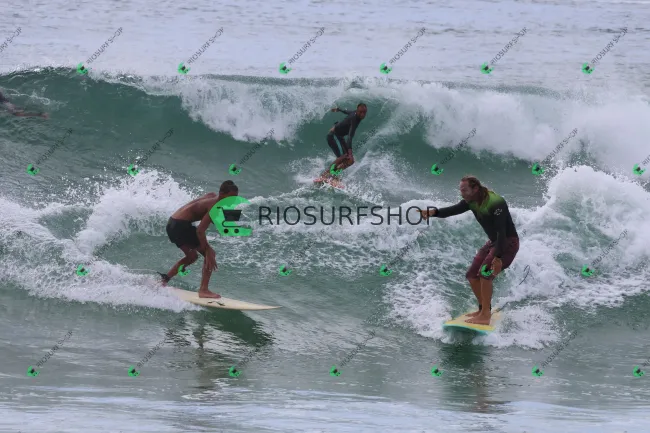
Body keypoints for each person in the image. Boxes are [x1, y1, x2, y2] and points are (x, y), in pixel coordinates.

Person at [420, 175, 520, 325]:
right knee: (472, 275)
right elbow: (453, 210)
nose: (462, 194)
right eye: (460, 190)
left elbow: (501, 232)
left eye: (465, 190)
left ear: (475, 188)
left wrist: (498, 257)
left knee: (485, 274)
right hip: (494, 242)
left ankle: (485, 315)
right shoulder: (471, 201)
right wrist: (434, 212)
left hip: (507, 242)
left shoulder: (496, 202)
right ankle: (483, 309)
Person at [159, 180, 239, 298]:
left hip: (172, 223)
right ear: (222, 194)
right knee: (210, 254)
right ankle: (203, 290)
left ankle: (164, 280)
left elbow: (198, 210)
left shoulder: (211, 196)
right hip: (181, 226)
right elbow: (200, 230)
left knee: (192, 257)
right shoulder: (214, 207)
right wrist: (207, 248)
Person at [319, 103, 367, 180]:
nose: (362, 114)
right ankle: (325, 175)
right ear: (357, 111)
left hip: (339, 136)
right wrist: (350, 153)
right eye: (361, 112)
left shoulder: (354, 112)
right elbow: (350, 137)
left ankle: (334, 174)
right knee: (345, 157)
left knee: (348, 160)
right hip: (333, 136)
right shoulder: (354, 120)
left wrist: (338, 109)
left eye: (364, 112)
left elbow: (347, 111)